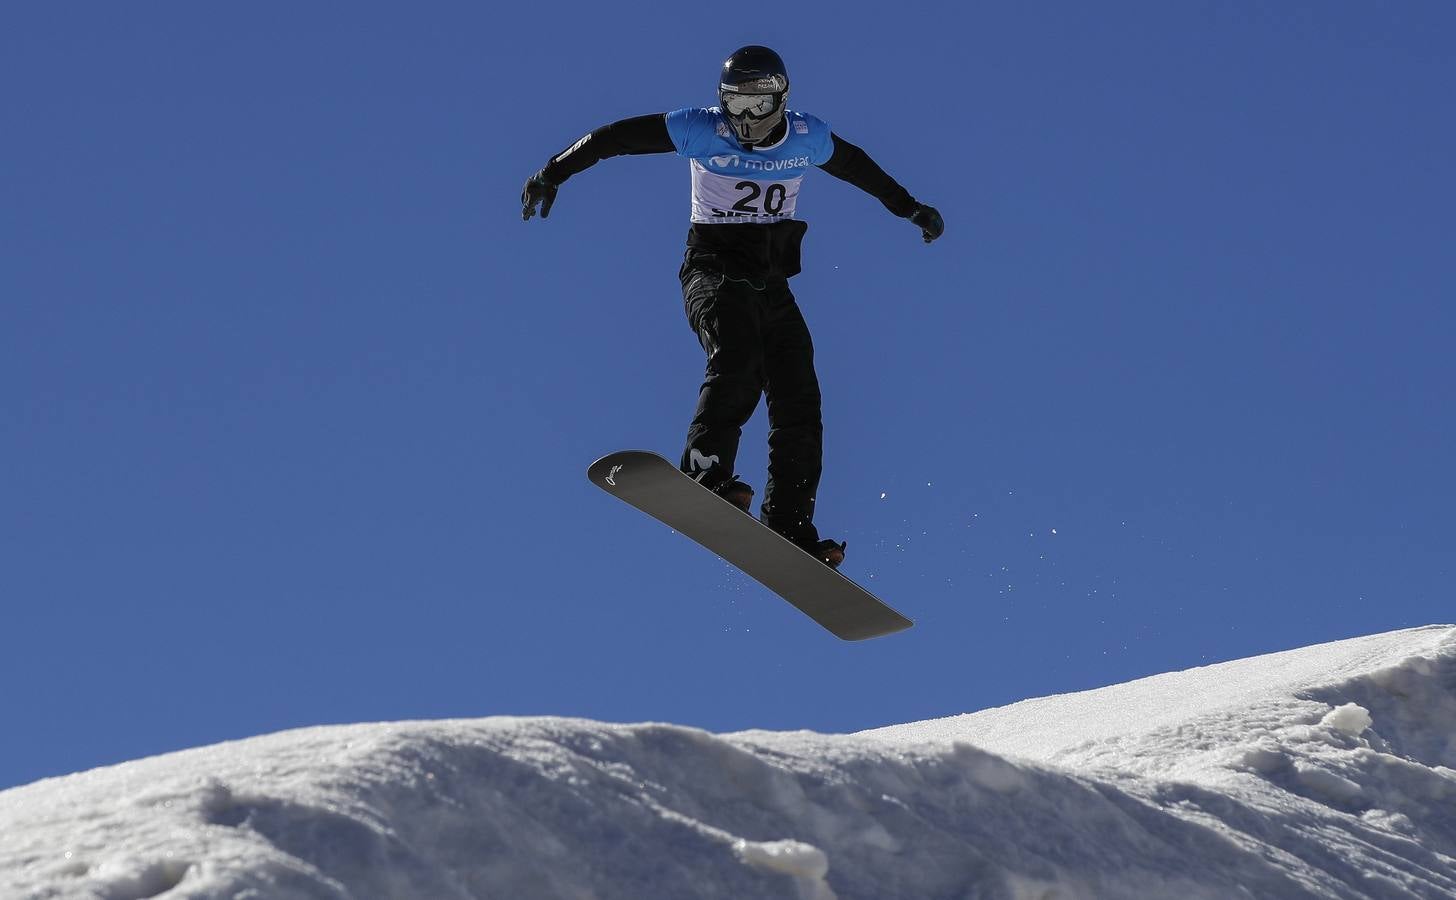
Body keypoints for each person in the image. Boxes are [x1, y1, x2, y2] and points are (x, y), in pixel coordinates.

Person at [522, 45, 943, 569]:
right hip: (713, 270)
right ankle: (705, 467)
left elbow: (858, 168)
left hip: (771, 284)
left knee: (799, 398)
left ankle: (789, 522)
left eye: (757, 104)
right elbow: (615, 138)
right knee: (738, 355)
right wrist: (553, 172)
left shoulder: (807, 137)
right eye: (735, 104)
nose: (745, 118)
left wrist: (910, 208)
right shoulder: (700, 128)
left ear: (781, 100)